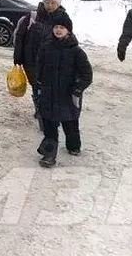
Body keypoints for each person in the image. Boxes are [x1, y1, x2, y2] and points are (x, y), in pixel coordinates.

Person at [35, 12, 93, 168]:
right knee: (49, 127)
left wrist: (78, 89)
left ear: (68, 30)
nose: (58, 30)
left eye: (62, 27)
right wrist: (39, 84)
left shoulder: (76, 52)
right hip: (48, 93)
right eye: (56, 27)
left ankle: (74, 146)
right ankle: (49, 155)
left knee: (70, 125)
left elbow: (87, 74)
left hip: (68, 96)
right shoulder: (46, 48)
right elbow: (39, 68)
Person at [12, 0, 68, 129]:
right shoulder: (31, 17)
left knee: (51, 89)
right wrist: (18, 58)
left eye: (53, 3)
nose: (49, 5)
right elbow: (19, 37)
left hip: (53, 62)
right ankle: (41, 114)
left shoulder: (63, 19)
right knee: (37, 88)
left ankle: (49, 113)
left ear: (58, 4)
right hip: (31, 61)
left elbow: (68, 39)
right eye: (47, 2)